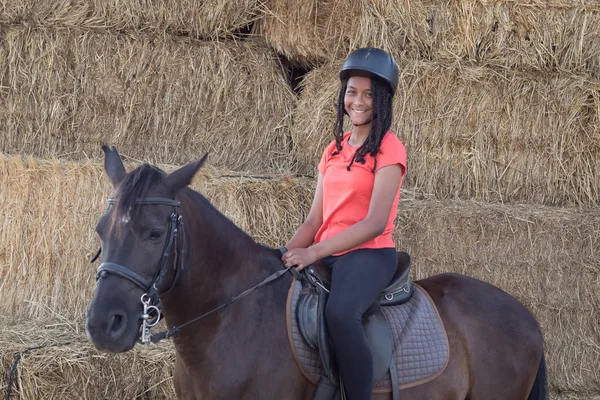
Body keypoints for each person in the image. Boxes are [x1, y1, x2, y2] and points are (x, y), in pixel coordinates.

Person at [281, 47, 407, 399]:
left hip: (368, 253)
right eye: (352, 91)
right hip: (327, 250)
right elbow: (314, 220)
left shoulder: (390, 149)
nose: (359, 101)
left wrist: (314, 252)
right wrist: (286, 253)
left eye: (369, 94)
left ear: (381, 100)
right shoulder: (332, 150)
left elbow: (374, 223)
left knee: (340, 314)